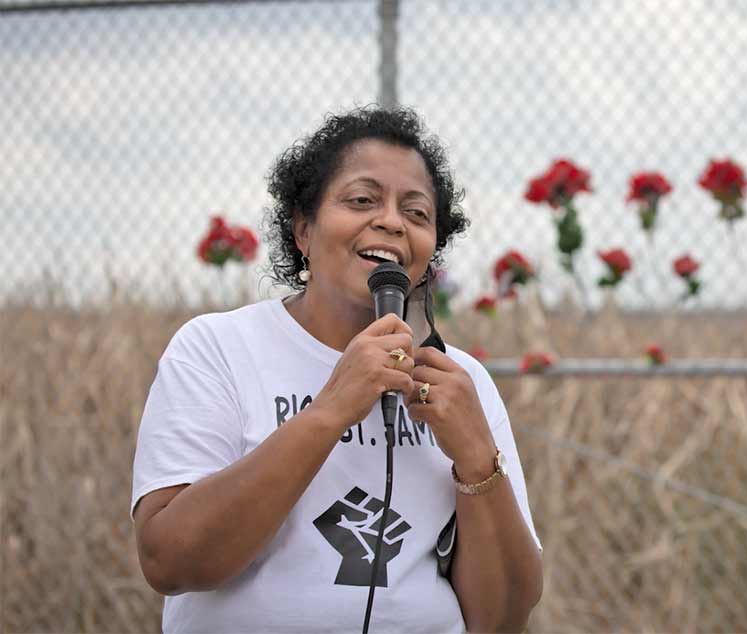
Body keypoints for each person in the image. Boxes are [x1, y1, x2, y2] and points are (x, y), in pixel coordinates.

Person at [131, 106, 543, 633]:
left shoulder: (460, 381)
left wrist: (477, 460)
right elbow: (171, 561)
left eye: (417, 213)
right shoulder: (218, 348)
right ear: (303, 229)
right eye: (362, 200)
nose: (392, 221)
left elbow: (503, 619)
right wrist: (330, 411)